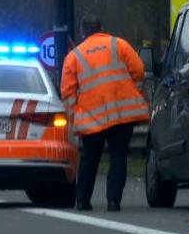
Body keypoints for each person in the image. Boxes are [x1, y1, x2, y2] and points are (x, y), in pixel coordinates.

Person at [61, 15, 150, 212]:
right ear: (102, 28)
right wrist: (130, 89)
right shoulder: (119, 45)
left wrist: (74, 116)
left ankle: (82, 201)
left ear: (83, 32)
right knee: (119, 155)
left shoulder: (74, 56)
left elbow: (67, 91)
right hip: (121, 112)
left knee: (90, 157)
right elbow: (139, 70)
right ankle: (113, 201)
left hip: (91, 116)